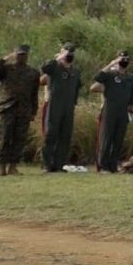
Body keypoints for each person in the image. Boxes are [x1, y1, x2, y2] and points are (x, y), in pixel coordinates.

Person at [0, 43, 41, 176]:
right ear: (14, 54)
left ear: (27, 56)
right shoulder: (5, 69)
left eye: (24, 55)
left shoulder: (33, 73)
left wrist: (33, 111)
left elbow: (34, 94)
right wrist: (3, 60)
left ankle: (13, 166)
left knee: (20, 139)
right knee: (5, 137)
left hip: (24, 109)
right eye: (19, 54)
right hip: (8, 107)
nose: (21, 57)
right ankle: (1, 166)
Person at [91, 50, 133, 173]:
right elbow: (97, 77)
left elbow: (132, 96)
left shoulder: (130, 78)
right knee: (106, 138)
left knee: (118, 139)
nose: (124, 61)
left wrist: (130, 110)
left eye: (126, 59)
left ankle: (113, 165)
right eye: (122, 59)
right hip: (110, 109)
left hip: (123, 111)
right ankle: (103, 166)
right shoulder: (110, 75)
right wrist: (111, 64)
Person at [38, 44, 82, 173]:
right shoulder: (55, 68)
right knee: (51, 134)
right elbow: (45, 67)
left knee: (65, 136)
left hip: (68, 107)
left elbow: (77, 88)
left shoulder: (76, 71)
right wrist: (59, 57)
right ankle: (46, 164)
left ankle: (59, 164)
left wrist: (74, 103)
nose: (69, 55)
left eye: (71, 53)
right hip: (55, 105)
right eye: (67, 52)